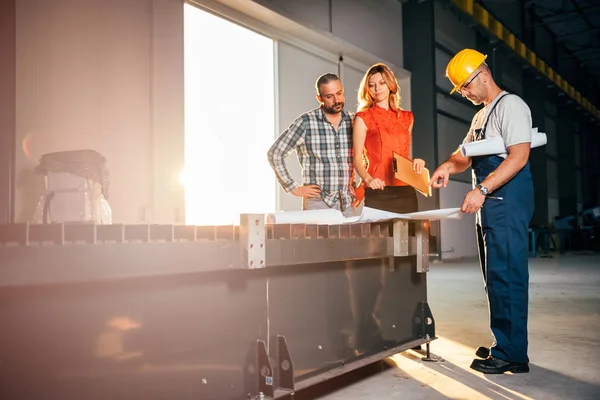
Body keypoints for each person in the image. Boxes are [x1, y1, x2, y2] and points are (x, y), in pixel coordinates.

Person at [429, 49, 534, 374]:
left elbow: (518, 157)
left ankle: (513, 354)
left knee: (508, 275)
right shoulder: (481, 115)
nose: (463, 93)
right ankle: (505, 344)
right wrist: (449, 165)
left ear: (482, 75)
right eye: (459, 89)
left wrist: (483, 189)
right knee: (495, 277)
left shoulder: (512, 106)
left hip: (506, 198)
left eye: (464, 86)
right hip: (491, 203)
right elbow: (466, 153)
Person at [267, 73, 356, 216]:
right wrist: (293, 187)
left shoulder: (354, 120)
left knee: (352, 239)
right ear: (319, 98)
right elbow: (275, 153)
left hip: (347, 204)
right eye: (329, 96)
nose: (336, 100)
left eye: (339, 93)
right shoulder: (306, 123)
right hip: (318, 204)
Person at [352, 63, 425, 214]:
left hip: (406, 190)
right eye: (371, 85)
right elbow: (357, 158)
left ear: (390, 84)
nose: (377, 89)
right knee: (379, 238)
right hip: (378, 189)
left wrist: (416, 164)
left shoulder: (407, 118)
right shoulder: (363, 117)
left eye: (381, 83)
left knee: (411, 237)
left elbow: (402, 155)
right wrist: (369, 180)